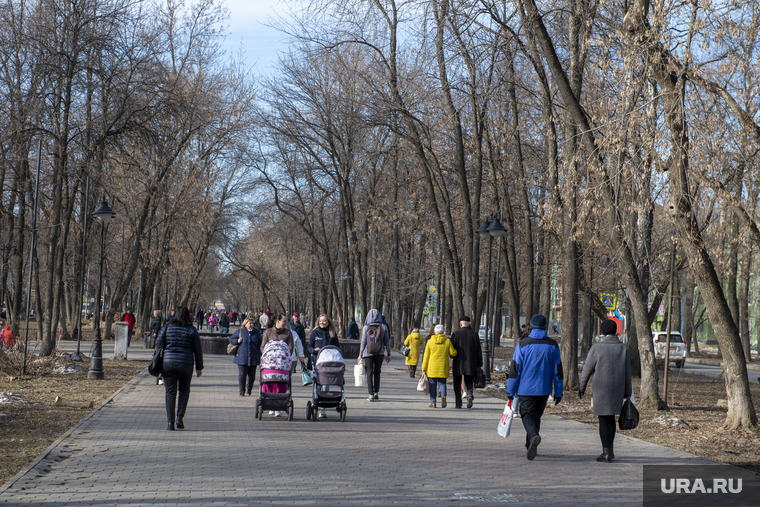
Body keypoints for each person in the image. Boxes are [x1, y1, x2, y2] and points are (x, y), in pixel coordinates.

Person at [507, 314, 563, 460]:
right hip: (544, 389)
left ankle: (533, 436)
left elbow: (515, 369)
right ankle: (530, 445)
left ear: (530, 327)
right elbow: (558, 371)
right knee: (536, 416)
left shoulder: (523, 344)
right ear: (545, 327)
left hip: (526, 388)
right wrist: (558, 392)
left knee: (526, 414)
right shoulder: (553, 345)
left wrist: (510, 390)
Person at [579, 319, 632, 463]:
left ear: (602, 331)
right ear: (615, 331)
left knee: (603, 419)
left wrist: (582, 386)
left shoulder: (597, 347)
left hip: (601, 389)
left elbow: (587, 370)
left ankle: (606, 452)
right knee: (611, 419)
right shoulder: (622, 348)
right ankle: (611, 449)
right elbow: (627, 372)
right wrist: (628, 390)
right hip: (617, 389)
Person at [155, 306, 203, 431]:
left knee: (170, 392)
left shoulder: (167, 327)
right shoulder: (192, 330)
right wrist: (199, 367)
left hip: (168, 363)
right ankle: (179, 417)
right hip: (186, 364)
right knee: (184, 390)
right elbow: (198, 350)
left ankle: (170, 422)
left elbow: (158, 343)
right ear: (188, 316)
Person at [260, 314, 294, 416]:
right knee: (269, 381)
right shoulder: (268, 332)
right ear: (277, 321)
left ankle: (278, 405)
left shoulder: (288, 333)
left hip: (282, 364)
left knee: (281, 383)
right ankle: (270, 404)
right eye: (284, 321)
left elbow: (290, 348)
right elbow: (263, 347)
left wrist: (282, 356)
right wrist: (270, 356)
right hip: (270, 363)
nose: (286, 323)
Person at [450, 316, 482, 409]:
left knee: (457, 383)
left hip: (458, 362)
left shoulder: (455, 334)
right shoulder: (474, 334)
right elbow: (478, 350)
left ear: (460, 324)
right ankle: (469, 394)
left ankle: (458, 403)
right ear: (469, 324)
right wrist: (479, 363)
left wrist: (452, 356)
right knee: (469, 381)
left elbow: (452, 349)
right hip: (471, 362)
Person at [421, 324, 457, 408]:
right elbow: (453, 353)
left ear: (434, 332)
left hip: (432, 368)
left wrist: (424, 368)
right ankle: (443, 395)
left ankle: (433, 402)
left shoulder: (430, 341)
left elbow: (426, 356)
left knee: (432, 385)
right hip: (443, 367)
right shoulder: (447, 341)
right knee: (442, 383)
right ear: (443, 332)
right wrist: (456, 351)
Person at [359, 309, 391, 402]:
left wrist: (360, 354)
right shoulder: (383, 327)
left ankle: (370, 394)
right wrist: (388, 354)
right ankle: (376, 392)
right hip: (379, 353)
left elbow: (363, 341)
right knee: (377, 372)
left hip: (367, 353)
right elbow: (387, 342)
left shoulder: (366, 327)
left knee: (369, 372)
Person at [230, 317, 262, 396]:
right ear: (245, 324)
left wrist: (259, 352)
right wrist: (237, 341)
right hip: (242, 356)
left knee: (252, 375)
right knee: (242, 374)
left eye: (252, 323)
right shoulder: (240, 331)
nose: (251, 325)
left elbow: (260, 343)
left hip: (254, 357)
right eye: (249, 323)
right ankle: (242, 390)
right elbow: (231, 339)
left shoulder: (256, 332)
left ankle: (249, 388)